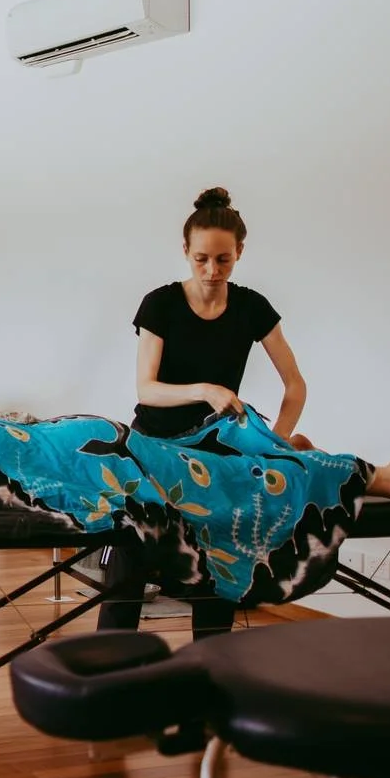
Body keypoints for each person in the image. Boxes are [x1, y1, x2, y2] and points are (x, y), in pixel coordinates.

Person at [102, 187, 307, 636]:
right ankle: (109, 662)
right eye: (201, 259)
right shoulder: (161, 304)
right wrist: (205, 390)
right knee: (131, 555)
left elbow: (295, 386)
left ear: (239, 253)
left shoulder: (253, 308)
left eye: (223, 259)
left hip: (216, 452)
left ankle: (211, 669)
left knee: (220, 557)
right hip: (155, 446)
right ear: (185, 252)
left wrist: (279, 443)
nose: (212, 270)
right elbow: (147, 388)